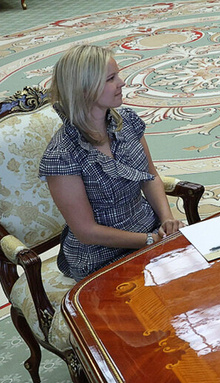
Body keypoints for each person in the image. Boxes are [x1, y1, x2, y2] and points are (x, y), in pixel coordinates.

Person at [39, 45, 183, 282]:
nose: (122, 82)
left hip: (149, 229)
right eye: (111, 78)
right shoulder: (62, 155)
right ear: (85, 89)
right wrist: (147, 240)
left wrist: (167, 220)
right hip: (100, 255)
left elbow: (151, 177)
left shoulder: (128, 122)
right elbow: (86, 232)